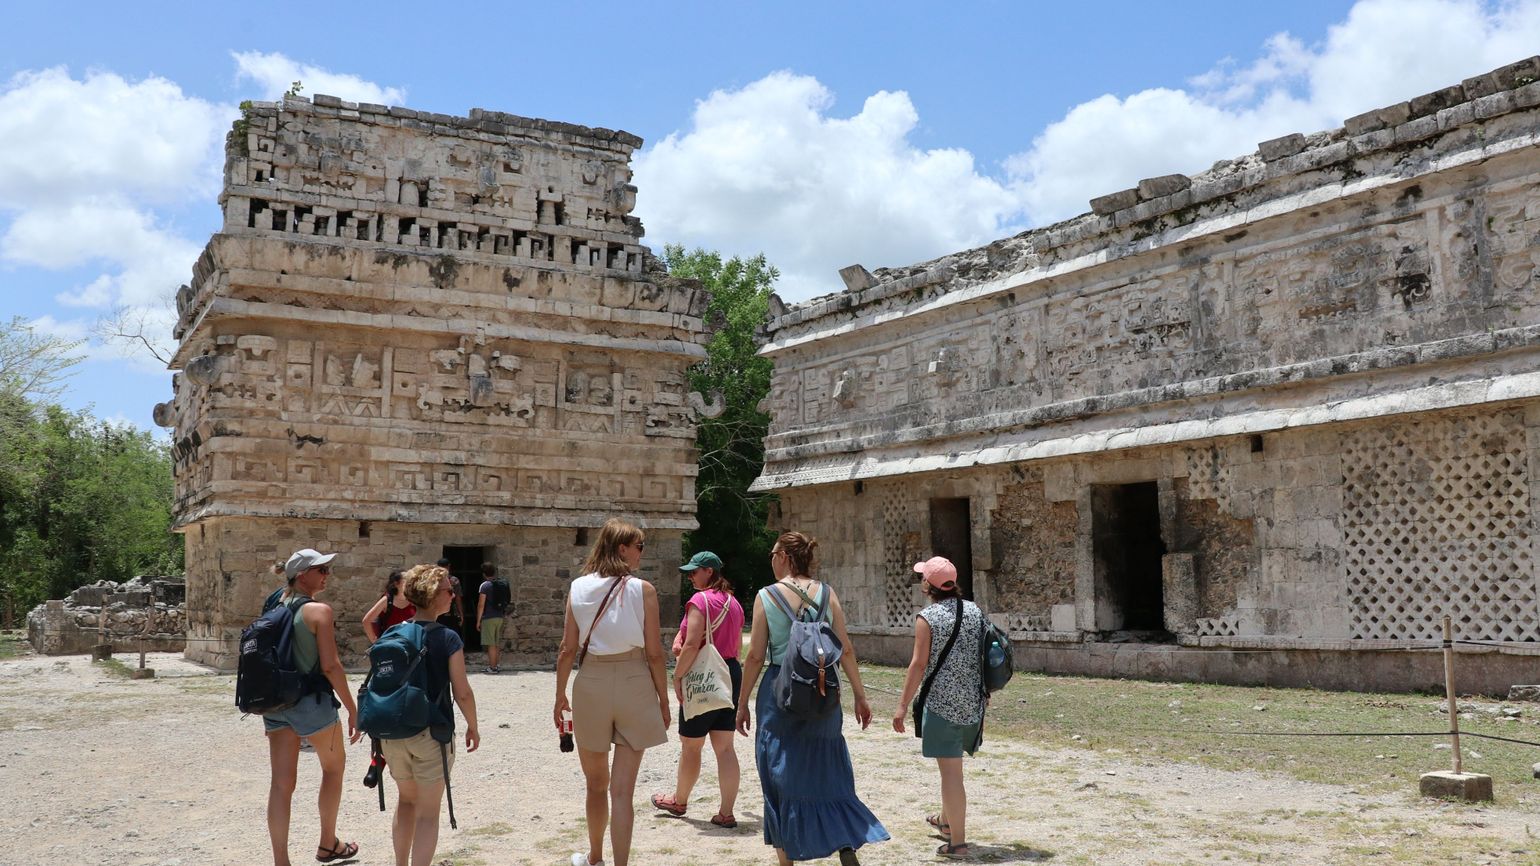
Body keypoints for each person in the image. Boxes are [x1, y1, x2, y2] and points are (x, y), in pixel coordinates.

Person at [735, 532, 889, 866]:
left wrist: (742, 701)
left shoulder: (767, 595)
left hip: (781, 691)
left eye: (774, 553)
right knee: (828, 769)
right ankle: (845, 841)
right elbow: (845, 647)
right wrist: (860, 696)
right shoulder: (827, 593)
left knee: (779, 772)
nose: (771, 559)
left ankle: (787, 859)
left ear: (786, 557)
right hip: (824, 688)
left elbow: (755, 656)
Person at [553, 518, 670, 866]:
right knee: (623, 792)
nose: (641, 552)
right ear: (622, 548)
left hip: (592, 681)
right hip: (634, 680)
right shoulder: (644, 590)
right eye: (639, 546)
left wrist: (559, 694)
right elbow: (654, 652)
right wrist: (664, 699)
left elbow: (567, 649)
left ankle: (595, 857)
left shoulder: (578, 588)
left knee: (595, 785)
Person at [263, 548, 363, 866]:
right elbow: (331, 666)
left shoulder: (272, 603)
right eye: (321, 569)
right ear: (303, 574)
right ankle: (328, 843)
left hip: (275, 702)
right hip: (311, 703)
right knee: (333, 768)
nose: (327, 574)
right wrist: (351, 707)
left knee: (281, 784)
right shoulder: (319, 611)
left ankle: (282, 861)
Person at [384, 563, 481, 866]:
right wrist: (473, 726)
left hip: (394, 733)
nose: (453, 596)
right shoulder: (447, 637)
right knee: (428, 812)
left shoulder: (393, 632)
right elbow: (462, 691)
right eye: (448, 591)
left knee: (406, 801)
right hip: (432, 734)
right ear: (432, 595)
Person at [891, 556, 986, 860]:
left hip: (942, 705)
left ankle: (957, 843)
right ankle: (946, 821)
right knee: (953, 769)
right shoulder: (974, 611)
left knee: (951, 775)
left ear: (928, 584)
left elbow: (918, 664)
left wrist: (902, 705)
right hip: (973, 704)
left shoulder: (927, 618)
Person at [650, 551, 744, 827]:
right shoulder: (734, 603)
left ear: (709, 572)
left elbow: (692, 645)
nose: (690, 575)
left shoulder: (699, 601)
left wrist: (677, 676)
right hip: (729, 672)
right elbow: (734, 642)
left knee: (691, 745)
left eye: (695, 571)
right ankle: (726, 812)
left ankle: (679, 801)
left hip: (702, 674)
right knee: (725, 747)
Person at [362, 569, 416, 643]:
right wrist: (375, 642)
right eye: (406, 579)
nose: (410, 583)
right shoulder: (387, 600)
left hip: (409, 646)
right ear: (396, 583)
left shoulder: (414, 601)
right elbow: (366, 621)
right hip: (389, 647)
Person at [476, 563, 506, 673]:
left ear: (484, 574)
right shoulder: (500, 584)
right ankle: (497, 665)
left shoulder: (485, 586)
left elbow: (481, 604)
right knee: (496, 642)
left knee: (491, 643)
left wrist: (478, 620)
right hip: (500, 616)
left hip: (489, 617)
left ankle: (492, 667)